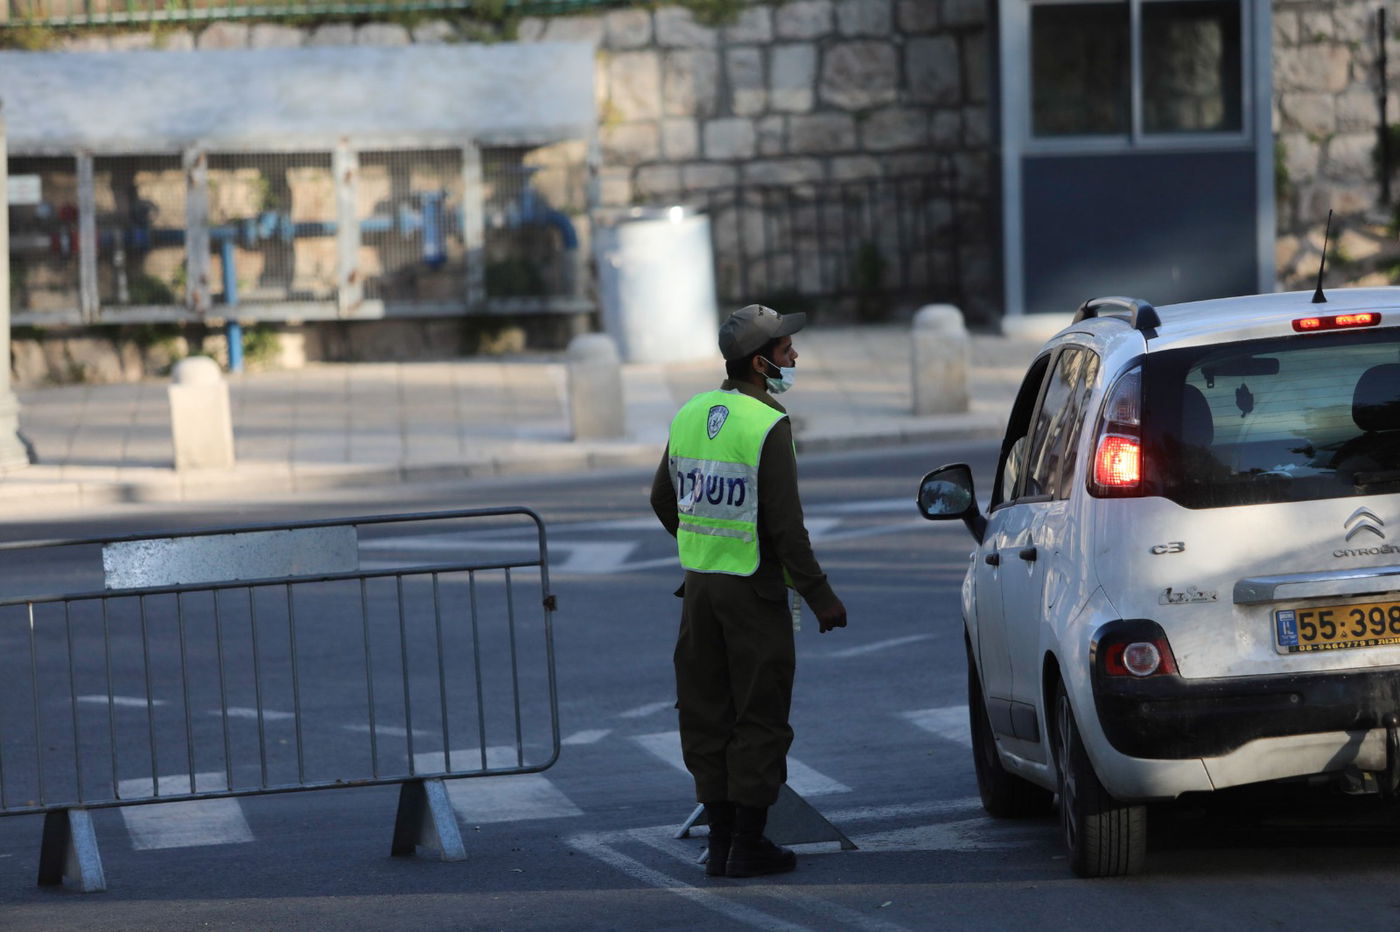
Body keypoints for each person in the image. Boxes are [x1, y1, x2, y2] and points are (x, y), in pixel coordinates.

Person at [650, 303, 848, 879]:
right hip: (754, 593)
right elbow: (786, 529)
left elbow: (665, 500)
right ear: (761, 363)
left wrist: (702, 548)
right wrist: (821, 598)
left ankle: (718, 843)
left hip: (700, 592)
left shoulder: (691, 412)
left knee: (708, 713)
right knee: (760, 716)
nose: (794, 356)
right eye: (786, 350)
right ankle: (748, 844)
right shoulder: (767, 423)